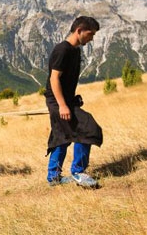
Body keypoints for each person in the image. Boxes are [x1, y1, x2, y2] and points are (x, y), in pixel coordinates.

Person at [44, 16, 103, 188]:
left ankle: (53, 178)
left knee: (60, 135)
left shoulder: (75, 50)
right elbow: (54, 79)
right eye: (90, 34)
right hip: (57, 101)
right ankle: (79, 172)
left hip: (65, 99)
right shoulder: (63, 50)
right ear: (79, 31)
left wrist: (72, 99)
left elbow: (65, 81)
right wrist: (62, 105)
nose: (91, 38)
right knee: (88, 127)